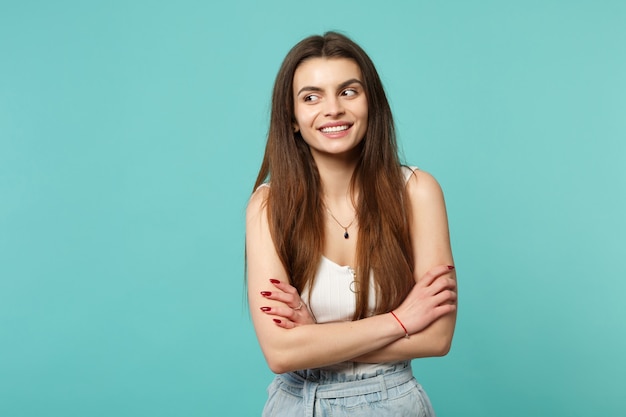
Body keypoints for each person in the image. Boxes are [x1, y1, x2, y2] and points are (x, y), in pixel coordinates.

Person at [246, 31, 457, 417]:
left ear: (370, 103)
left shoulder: (418, 192)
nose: (333, 109)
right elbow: (279, 353)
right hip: (298, 405)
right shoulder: (268, 205)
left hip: (395, 403)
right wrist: (400, 320)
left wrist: (316, 340)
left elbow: (438, 337)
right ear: (292, 119)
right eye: (311, 97)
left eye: (348, 91)